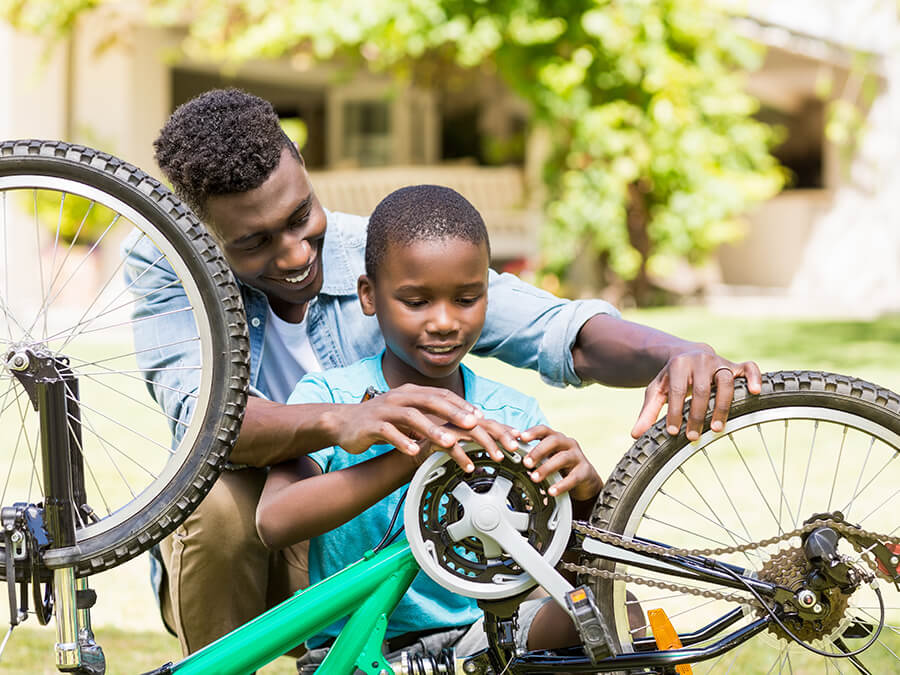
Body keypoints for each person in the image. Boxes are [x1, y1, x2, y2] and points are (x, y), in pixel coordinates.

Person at [125, 87, 761, 655]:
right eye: (254, 243)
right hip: (285, 536)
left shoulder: (383, 248)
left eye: (300, 218)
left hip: (433, 579)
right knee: (215, 505)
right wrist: (353, 421)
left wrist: (679, 354)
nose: (295, 254)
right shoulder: (168, 267)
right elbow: (207, 424)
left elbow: (558, 331)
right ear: (201, 236)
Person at [256, 184, 605, 662]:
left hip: (482, 638)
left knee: (610, 611)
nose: (444, 322)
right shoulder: (332, 398)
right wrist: (413, 458)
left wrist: (585, 496)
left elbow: (558, 563)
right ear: (369, 296)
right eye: (416, 301)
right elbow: (275, 521)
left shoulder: (512, 415)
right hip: (357, 649)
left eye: (466, 299)